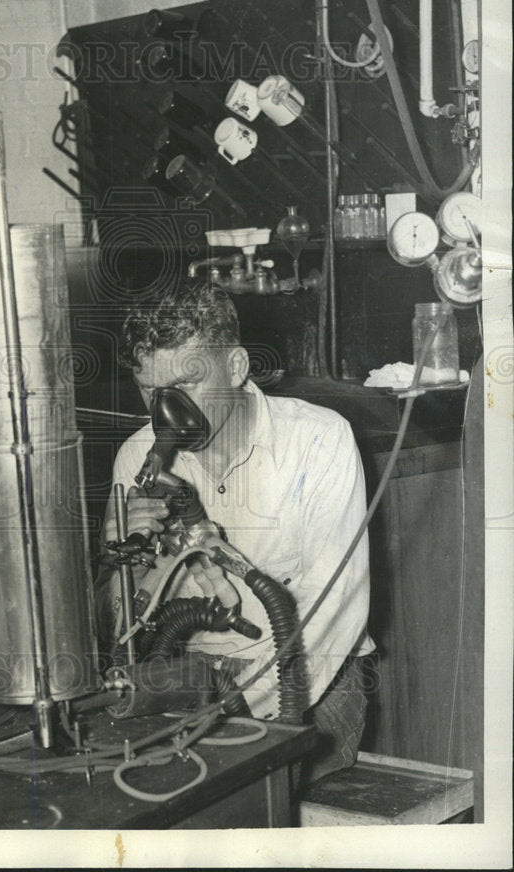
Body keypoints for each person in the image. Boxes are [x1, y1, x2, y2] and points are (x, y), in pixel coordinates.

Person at [95, 281, 375, 785]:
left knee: (242, 795)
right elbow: (120, 631)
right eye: (150, 391)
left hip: (312, 671)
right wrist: (125, 563)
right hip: (189, 669)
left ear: (238, 368)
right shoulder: (138, 458)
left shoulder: (317, 439)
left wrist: (238, 703)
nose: (167, 411)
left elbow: (337, 606)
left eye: (188, 383)